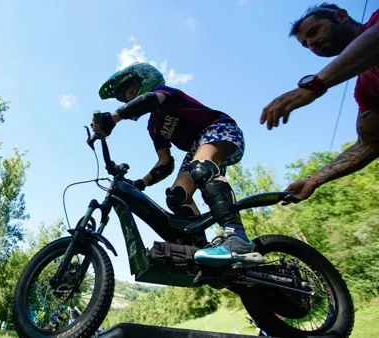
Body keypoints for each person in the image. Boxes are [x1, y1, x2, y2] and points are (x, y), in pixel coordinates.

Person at [93, 62, 263, 267]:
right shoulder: (152, 125)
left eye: (130, 90)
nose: (130, 97)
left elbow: (149, 100)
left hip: (219, 128)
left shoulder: (163, 94)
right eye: (126, 96)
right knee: (177, 197)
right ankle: (203, 249)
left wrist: (113, 117)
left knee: (201, 167)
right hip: (195, 148)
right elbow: (165, 163)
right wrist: (140, 183)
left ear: (145, 79)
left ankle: (237, 236)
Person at [260, 3, 379, 202]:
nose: (313, 43)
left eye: (314, 31)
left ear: (341, 16)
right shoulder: (366, 89)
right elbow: (368, 145)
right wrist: (314, 179)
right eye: (307, 44)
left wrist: (315, 85)